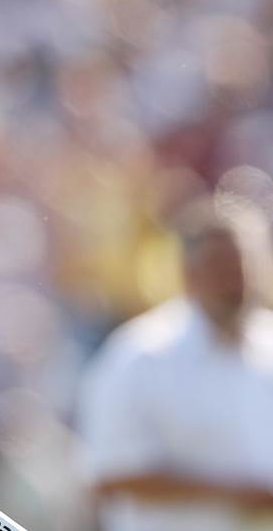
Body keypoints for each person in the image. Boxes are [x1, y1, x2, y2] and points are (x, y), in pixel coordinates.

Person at [77, 202, 273, 531]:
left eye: (243, 266)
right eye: (220, 267)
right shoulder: (140, 356)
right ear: (188, 273)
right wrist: (234, 494)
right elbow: (110, 473)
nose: (234, 281)